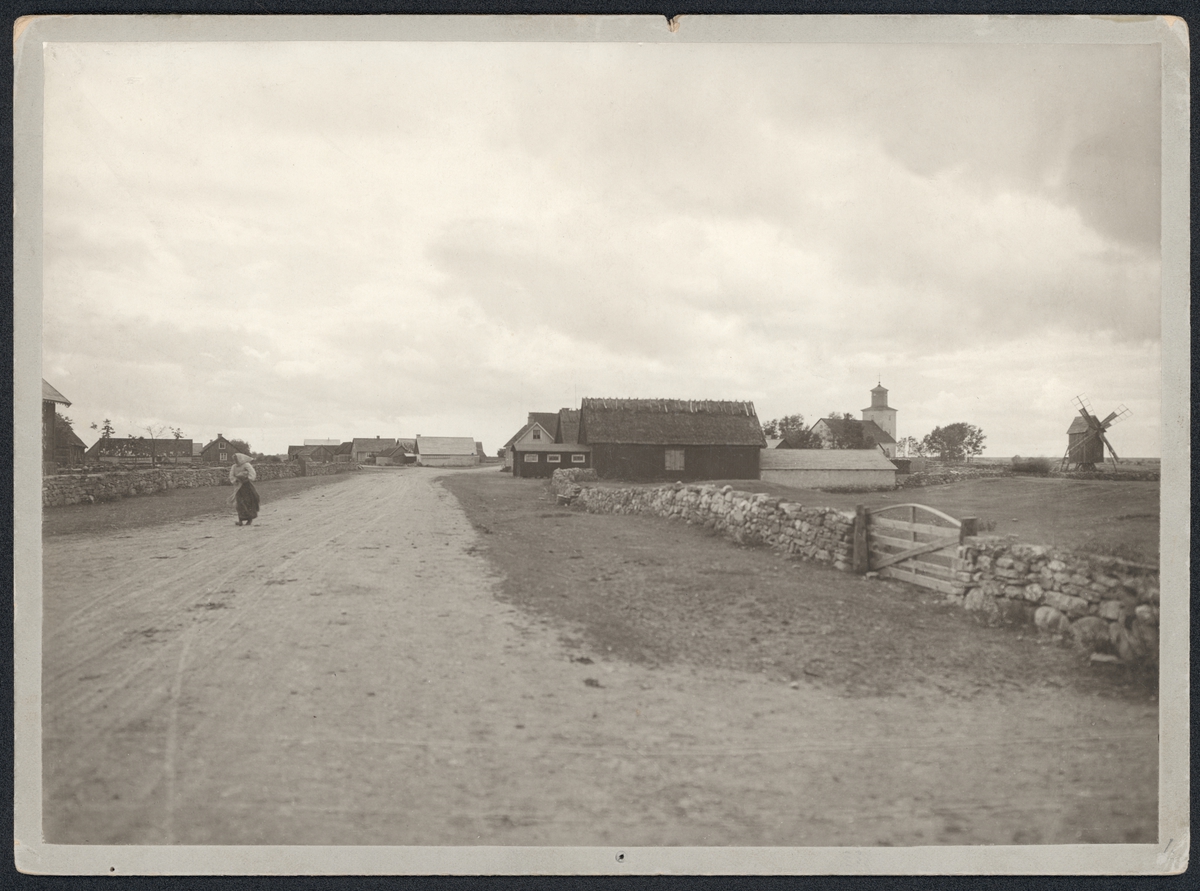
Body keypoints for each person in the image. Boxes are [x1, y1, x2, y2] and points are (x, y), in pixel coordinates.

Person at [229, 453, 260, 526]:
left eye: (236, 459)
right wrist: (235, 480)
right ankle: (240, 520)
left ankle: (249, 519)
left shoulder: (246, 465)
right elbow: (231, 475)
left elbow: (252, 473)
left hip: (247, 487)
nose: (235, 461)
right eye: (234, 460)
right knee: (239, 503)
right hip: (239, 487)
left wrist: (247, 478)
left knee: (249, 502)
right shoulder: (234, 466)